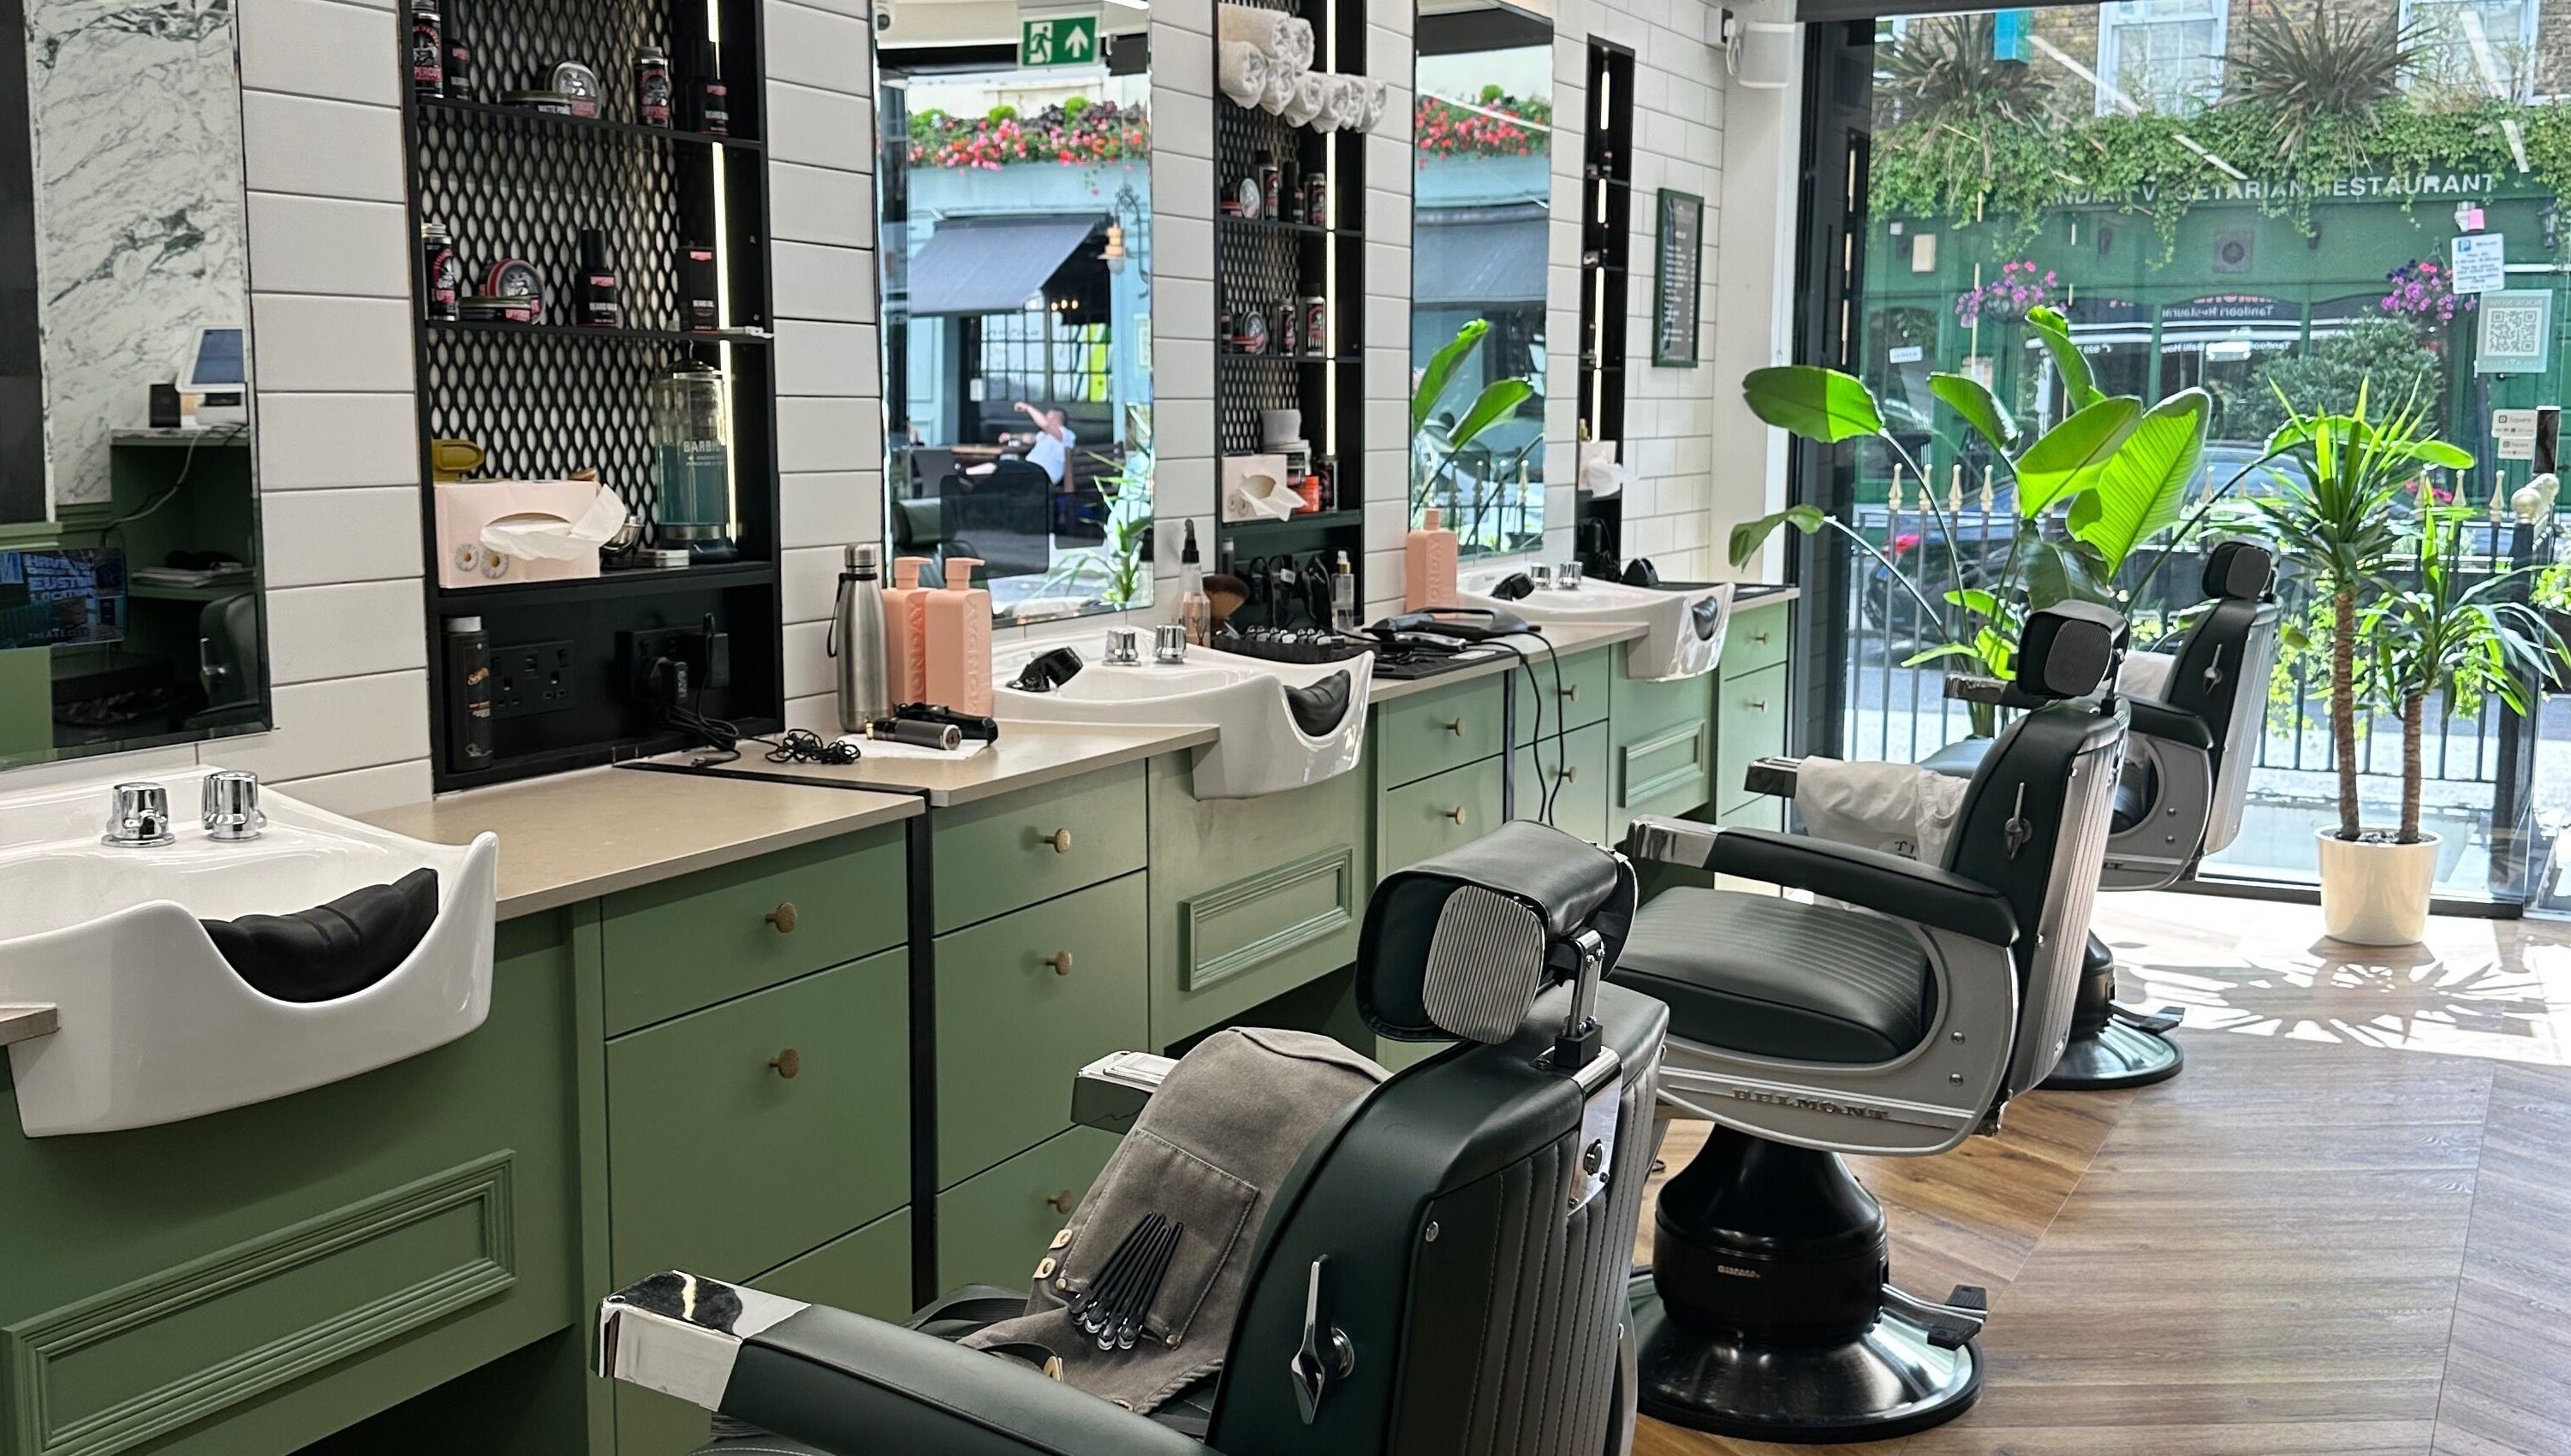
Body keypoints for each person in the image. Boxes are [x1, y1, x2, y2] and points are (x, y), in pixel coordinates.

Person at [967, 401, 1076, 486]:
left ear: (1055, 419)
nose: (1045, 418)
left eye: (1047, 417)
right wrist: (1011, 436)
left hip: (1042, 474)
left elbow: (1045, 424)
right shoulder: (1045, 436)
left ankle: (965, 474)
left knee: (1004, 465)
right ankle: (966, 478)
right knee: (1003, 470)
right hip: (1031, 470)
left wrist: (1027, 408)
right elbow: (1029, 437)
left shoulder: (1066, 435)